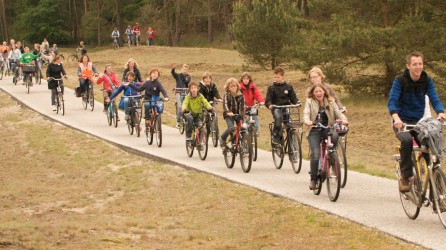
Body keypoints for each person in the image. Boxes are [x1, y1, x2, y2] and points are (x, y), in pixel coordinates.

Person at [388, 51, 446, 192]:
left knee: (430, 143)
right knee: (407, 141)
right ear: (408, 66)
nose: (418, 67)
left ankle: (435, 185)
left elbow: (434, 98)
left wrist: (441, 112)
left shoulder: (426, 80)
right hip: (402, 121)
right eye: (415, 64)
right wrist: (396, 118)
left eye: (420, 64)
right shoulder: (400, 81)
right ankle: (406, 177)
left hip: (419, 123)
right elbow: (392, 102)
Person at [303, 83, 348, 190]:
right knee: (315, 153)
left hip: (327, 127)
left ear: (324, 91)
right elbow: (306, 113)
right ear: (313, 94)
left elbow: (338, 113)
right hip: (314, 129)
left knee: (335, 136)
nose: (318, 93)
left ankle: (332, 158)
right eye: (316, 92)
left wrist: (344, 119)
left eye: (320, 91)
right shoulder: (309, 102)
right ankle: (314, 179)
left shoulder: (330, 101)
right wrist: (307, 121)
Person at [265, 66, 299, 144]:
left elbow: (293, 98)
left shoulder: (288, 87)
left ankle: (291, 142)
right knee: (278, 117)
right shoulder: (271, 88)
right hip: (276, 108)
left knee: (288, 124)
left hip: (286, 107)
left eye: (278, 77)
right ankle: (276, 135)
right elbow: (268, 100)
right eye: (275, 77)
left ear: (283, 76)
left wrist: (297, 103)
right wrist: (269, 105)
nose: (276, 79)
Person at [219, 78, 245, 149]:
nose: (233, 88)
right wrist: (228, 112)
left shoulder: (241, 95)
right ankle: (222, 138)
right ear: (228, 87)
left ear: (237, 86)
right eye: (231, 86)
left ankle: (238, 143)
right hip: (229, 115)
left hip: (237, 115)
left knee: (242, 129)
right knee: (231, 128)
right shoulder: (227, 95)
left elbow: (242, 107)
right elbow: (225, 105)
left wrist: (241, 114)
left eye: (234, 86)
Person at [172, 63, 192, 127]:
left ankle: (186, 119)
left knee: (186, 106)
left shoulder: (188, 77)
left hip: (185, 92)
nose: (185, 70)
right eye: (184, 69)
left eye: (186, 69)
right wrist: (173, 69)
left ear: (188, 70)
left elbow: (187, 83)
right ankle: (178, 121)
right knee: (180, 106)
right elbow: (173, 73)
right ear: (181, 69)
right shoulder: (178, 75)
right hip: (178, 92)